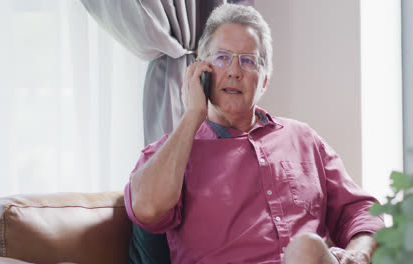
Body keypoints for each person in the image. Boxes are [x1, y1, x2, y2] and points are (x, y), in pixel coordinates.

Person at [125, 3, 384, 264]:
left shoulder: (303, 138)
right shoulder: (173, 152)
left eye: (248, 61)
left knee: (307, 248)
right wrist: (192, 114)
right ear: (200, 71)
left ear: (265, 80)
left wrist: (358, 252)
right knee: (308, 248)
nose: (234, 72)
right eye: (222, 58)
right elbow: (147, 209)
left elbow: (362, 210)